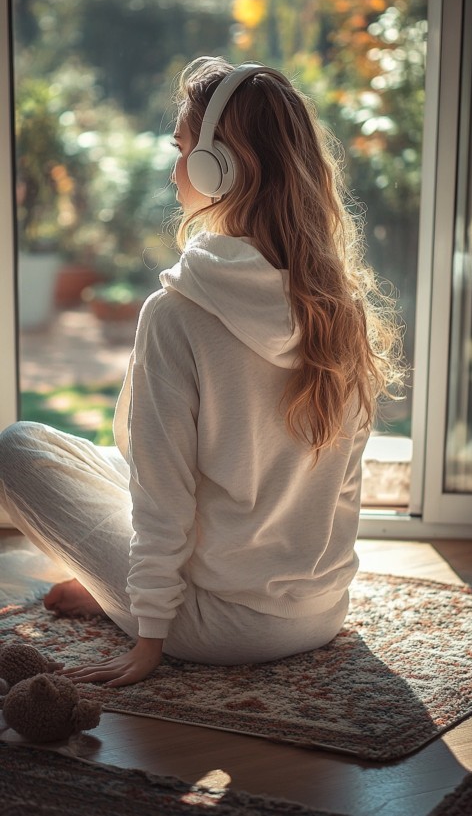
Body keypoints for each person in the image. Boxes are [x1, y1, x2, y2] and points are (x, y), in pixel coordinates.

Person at [0, 56, 403, 687]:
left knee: (17, 449)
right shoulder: (339, 307)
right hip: (321, 612)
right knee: (113, 461)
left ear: (222, 169)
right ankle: (116, 585)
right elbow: (339, 489)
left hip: (211, 626)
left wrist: (149, 637)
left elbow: (163, 500)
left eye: (183, 148)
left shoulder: (177, 312)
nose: (174, 166)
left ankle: (124, 593)